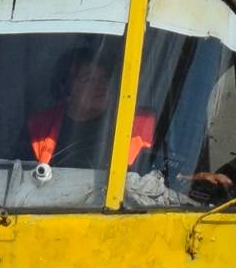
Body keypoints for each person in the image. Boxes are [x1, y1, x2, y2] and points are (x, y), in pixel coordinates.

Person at [27, 45, 152, 175]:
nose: (100, 86)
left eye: (104, 78)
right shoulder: (39, 129)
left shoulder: (135, 126)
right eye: (89, 79)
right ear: (66, 86)